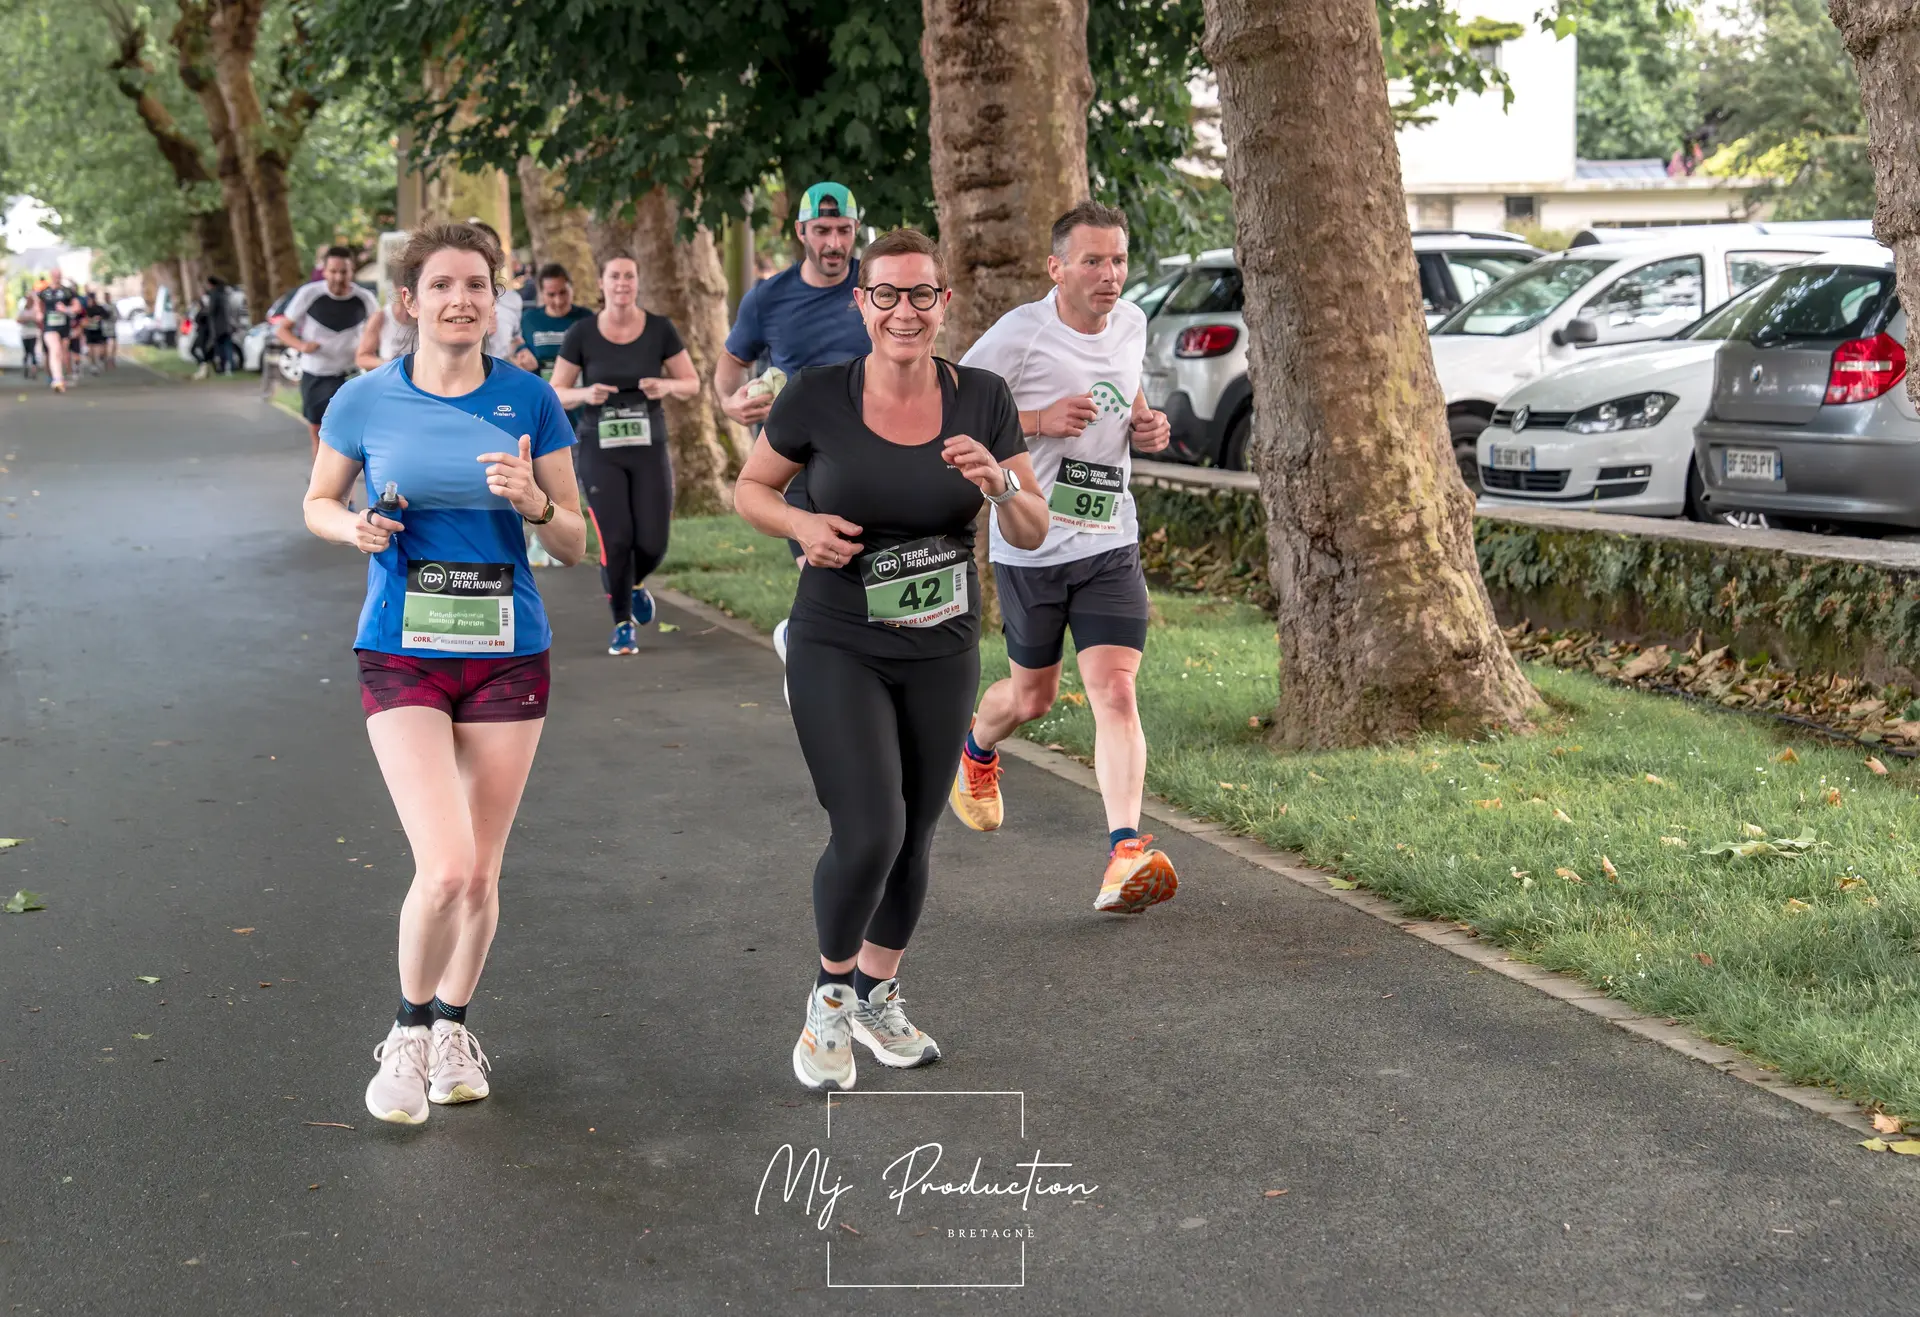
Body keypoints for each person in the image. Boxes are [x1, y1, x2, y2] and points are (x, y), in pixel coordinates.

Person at [732, 228, 1049, 1091]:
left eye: (921, 295)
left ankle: (877, 992)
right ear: (860, 303)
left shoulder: (982, 398)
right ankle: (830, 1001)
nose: (904, 310)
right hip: (839, 637)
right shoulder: (817, 395)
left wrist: (1001, 483)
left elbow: (1032, 526)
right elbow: (751, 488)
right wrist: (800, 524)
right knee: (869, 828)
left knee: (916, 834)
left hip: (942, 642)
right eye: (887, 294)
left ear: (944, 303)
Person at [301, 222, 586, 1126]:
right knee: (448, 862)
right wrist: (355, 528)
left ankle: (456, 1024)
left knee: (485, 867)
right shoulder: (363, 400)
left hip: (508, 653)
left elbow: (579, 542)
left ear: (495, 299)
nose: (463, 298)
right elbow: (316, 501)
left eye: (478, 284)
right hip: (401, 648)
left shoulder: (532, 400)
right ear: (411, 300)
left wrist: (535, 502)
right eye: (444, 284)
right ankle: (407, 1031)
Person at [948, 201, 1179, 916]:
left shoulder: (1134, 321)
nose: (1109, 276)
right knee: (1033, 698)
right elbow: (955, 411)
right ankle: (978, 749)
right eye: (1093, 261)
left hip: (1110, 536)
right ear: (1057, 268)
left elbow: (1125, 385)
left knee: (1115, 690)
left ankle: (1124, 850)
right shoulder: (1020, 334)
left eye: (1118, 260)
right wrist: (1039, 421)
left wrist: (1145, 420)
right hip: (1032, 542)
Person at [716, 182, 874, 667]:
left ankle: (824, 651)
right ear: (802, 230)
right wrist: (730, 405)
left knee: (868, 578)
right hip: (797, 460)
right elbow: (727, 373)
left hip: (874, 453)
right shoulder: (768, 298)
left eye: (843, 230)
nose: (833, 243)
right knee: (822, 568)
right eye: (822, 230)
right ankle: (809, 651)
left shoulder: (874, 289)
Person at [548, 255, 700, 654]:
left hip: (648, 445)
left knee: (652, 541)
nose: (622, 283)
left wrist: (664, 387)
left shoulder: (659, 329)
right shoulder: (582, 333)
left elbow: (691, 383)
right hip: (601, 448)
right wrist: (585, 393)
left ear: (637, 282)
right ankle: (621, 625)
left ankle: (633, 584)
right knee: (616, 540)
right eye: (614, 276)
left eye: (629, 276)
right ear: (601, 283)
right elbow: (555, 392)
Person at [276, 247, 380, 459]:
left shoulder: (365, 298)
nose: (339, 277)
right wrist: (302, 346)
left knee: (350, 434)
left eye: (344, 272)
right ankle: (320, 487)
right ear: (324, 271)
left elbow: (380, 330)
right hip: (315, 373)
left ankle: (346, 488)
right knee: (318, 433)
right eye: (333, 271)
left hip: (349, 375)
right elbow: (282, 329)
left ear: (352, 272)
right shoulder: (310, 293)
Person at [512, 263, 592, 380]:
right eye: (551, 295)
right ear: (541, 293)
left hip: (578, 393)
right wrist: (521, 353)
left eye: (563, 292)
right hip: (541, 391)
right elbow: (513, 345)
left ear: (571, 288)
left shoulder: (587, 318)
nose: (558, 301)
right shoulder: (528, 319)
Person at [355, 281, 418, 372]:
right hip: (391, 376)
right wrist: (389, 364)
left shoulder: (428, 317)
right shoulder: (381, 317)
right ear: (396, 288)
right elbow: (361, 358)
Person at [15, 290, 39, 381]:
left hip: (33, 333)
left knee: (33, 352)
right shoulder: (22, 310)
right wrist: (24, 320)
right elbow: (17, 320)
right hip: (24, 334)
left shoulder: (35, 310)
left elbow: (38, 320)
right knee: (26, 352)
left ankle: (33, 370)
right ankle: (25, 368)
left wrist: (33, 319)